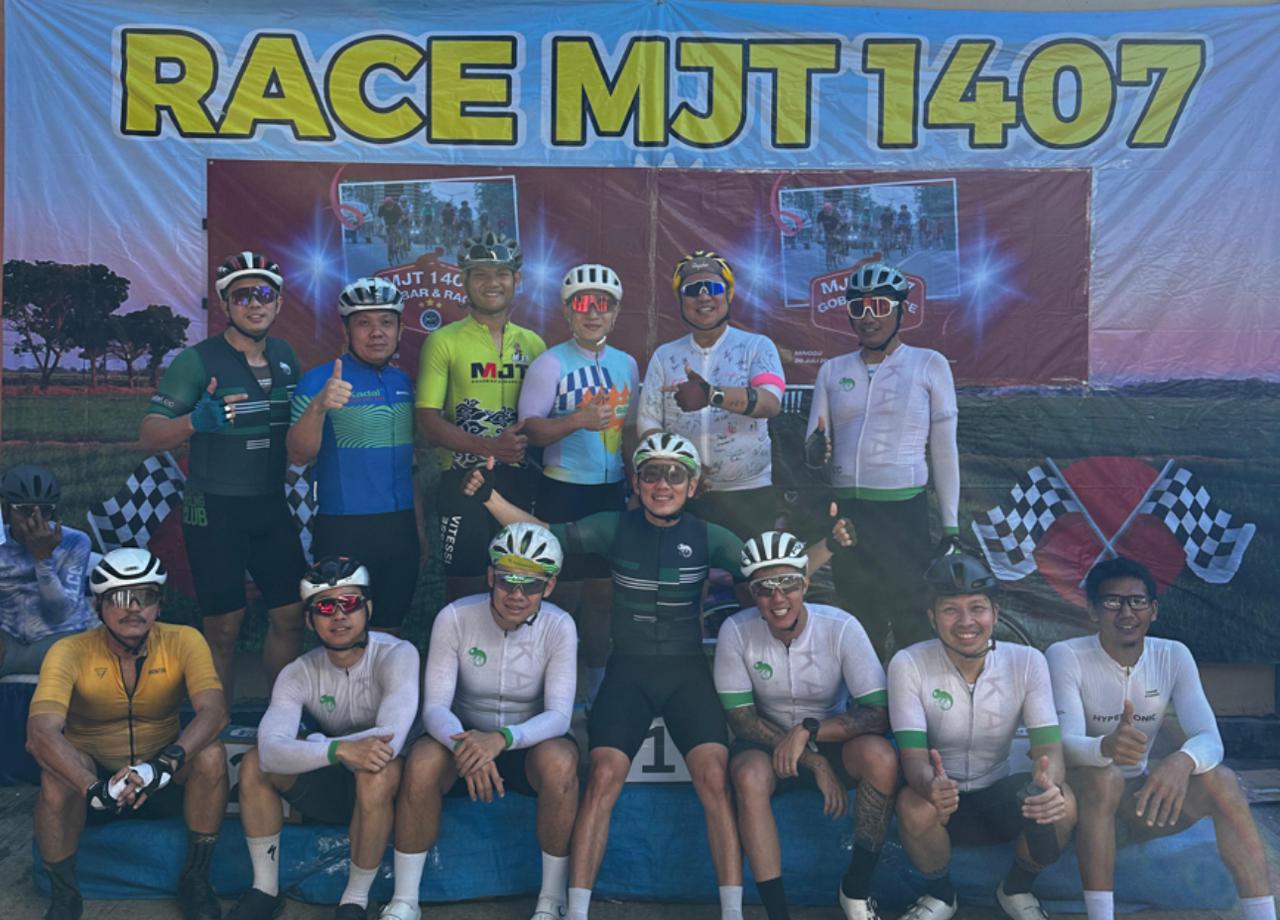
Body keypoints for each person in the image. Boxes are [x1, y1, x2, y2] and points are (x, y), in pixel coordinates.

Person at [464, 433, 852, 920]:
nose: (662, 484)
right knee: (602, 777)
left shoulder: (708, 536)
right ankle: (576, 912)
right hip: (628, 671)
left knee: (714, 779)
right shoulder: (613, 527)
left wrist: (830, 545)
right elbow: (543, 535)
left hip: (686, 672)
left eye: (674, 475)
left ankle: (732, 914)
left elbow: (776, 573)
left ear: (693, 485)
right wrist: (490, 498)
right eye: (651, 474)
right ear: (636, 482)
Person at [1047, 558, 1275, 920]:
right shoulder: (1066, 655)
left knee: (1223, 781)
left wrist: (1182, 761)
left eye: (1137, 601)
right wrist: (1105, 746)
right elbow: (1064, 744)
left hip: (1137, 804)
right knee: (1105, 778)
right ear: (1092, 611)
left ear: (1153, 610)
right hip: (1080, 806)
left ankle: (1263, 915)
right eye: (1112, 601)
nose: (1126, 612)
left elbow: (1210, 738)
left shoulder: (1173, 655)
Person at [139, 251, 306, 703]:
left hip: (270, 504)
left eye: (264, 294)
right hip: (214, 509)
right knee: (223, 628)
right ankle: (216, 724)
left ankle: (282, 714)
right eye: (242, 295)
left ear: (279, 303)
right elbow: (150, 434)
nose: (255, 303)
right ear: (225, 304)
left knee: (291, 616)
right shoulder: (197, 361)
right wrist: (194, 422)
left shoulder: (286, 356)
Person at [389, 524, 579, 920]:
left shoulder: (560, 626)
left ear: (549, 586)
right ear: (491, 576)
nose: (516, 595)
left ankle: (550, 900)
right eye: (507, 581)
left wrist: (502, 739)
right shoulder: (455, 617)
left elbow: (560, 716)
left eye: (531, 585)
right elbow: (434, 707)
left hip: (525, 742)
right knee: (421, 762)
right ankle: (405, 900)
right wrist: (468, 746)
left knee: (561, 763)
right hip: (462, 738)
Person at [27, 549, 228, 920]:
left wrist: (165, 764)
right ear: (98, 605)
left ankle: (196, 880)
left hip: (161, 775)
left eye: (146, 597)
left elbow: (214, 712)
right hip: (94, 784)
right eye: (120, 598)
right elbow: (40, 732)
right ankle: (65, 896)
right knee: (54, 777)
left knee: (211, 754)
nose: (134, 608)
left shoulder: (185, 639)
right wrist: (92, 787)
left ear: (159, 605)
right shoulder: (68, 650)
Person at [714, 531, 899, 920]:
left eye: (788, 584)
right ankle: (777, 913)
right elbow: (742, 719)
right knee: (748, 775)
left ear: (805, 584)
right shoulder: (735, 630)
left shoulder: (841, 627)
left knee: (881, 757)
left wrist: (809, 733)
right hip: (767, 742)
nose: (778, 598)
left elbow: (878, 713)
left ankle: (856, 890)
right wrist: (813, 761)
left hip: (829, 733)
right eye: (765, 588)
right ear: (751, 594)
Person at [227, 555, 419, 920]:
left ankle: (355, 899)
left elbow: (389, 738)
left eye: (350, 603)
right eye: (326, 607)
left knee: (376, 768)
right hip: (333, 779)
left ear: (368, 609)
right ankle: (264, 890)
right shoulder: (297, 672)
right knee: (253, 765)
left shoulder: (398, 653)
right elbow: (269, 752)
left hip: (385, 788)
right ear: (309, 621)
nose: (339, 616)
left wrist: (318, 744)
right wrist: (338, 750)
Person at [889, 553, 1076, 920]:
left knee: (1063, 802)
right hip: (942, 801)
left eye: (977, 608)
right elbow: (913, 757)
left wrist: (1049, 784)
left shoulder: (1027, 661)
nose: (966, 622)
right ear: (932, 617)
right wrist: (931, 785)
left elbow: (1049, 747)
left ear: (995, 612)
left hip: (999, 794)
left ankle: (1017, 889)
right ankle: (941, 895)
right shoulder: (908, 664)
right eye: (950, 610)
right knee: (913, 805)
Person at [805, 261, 959, 657]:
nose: (868, 317)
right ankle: (865, 696)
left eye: (879, 306)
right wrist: (815, 450)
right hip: (849, 516)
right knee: (858, 621)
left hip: (902, 515)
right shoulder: (832, 370)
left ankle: (914, 696)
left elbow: (944, 449)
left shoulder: (929, 363)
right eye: (858, 307)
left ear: (901, 310)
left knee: (911, 620)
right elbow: (814, 444)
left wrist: (951, 527)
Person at [518, 263, 639, 702]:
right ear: (567, 311)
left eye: (602, 304)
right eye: (582, 304)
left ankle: (597, 687)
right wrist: (576, 421)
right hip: (563, 490)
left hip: (610, 491)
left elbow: (631, 431)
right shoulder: (549, 363)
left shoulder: (627, 364)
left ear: (615, 313)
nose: (592, 313)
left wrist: (636, 486)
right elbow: (530, 430)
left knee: (603, 595)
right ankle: (552, 690)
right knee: (562, 596)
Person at [288, 277, 425, 635]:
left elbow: (410, 465)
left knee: (390, 630)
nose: (377, 332)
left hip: (400, 528)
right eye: (364, 323)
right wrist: (319, 406)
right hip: (344, 528)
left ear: (399, 331)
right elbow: (298, 454)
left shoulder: (403, 383)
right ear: (346, 330)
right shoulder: (317, 381)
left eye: (386, 322)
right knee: (343, 635)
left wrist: (418, 528)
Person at [415, 231, 545, 603]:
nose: (492, 283)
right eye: (480, 274)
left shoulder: (534, 343)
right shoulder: (444, 341)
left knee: (521, 581)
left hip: (521, 481)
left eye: (501, 273)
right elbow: (427, 421)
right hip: (462, 481)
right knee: (465, 588)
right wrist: (490, 446)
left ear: (516, 280)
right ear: (464, 281)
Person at [637, 250, 786, 540]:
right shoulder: (665, 356)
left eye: (713, 287)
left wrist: (711, 395)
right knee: (688, 570)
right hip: (685, 493)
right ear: (681, 301)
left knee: (748, 570)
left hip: (750, 493)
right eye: (693, 290)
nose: (704, 296)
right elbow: (648, 423)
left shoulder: (757, 346)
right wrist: (682, 467)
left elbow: (770, 402)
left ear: (728, 295)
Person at [0, 464, 95, 676]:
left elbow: (60, 613)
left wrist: (43, 558)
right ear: (6, 511)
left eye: (44, 511)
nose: (36, 520)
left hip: (59, 635)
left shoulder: (75, 541)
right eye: (25, 510)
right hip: (7, 639)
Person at [379, 195, 405, 263]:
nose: (389, 207)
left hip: (395, 224)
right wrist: (383, 225)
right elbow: (380, 218)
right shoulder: (381, 208)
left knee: (399, 235)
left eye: (390, 205)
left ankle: (399, 246)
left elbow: (401, 216)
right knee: (389, 239)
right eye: (387, 205)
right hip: (387, 225)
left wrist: (400, 222)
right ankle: (389, 254)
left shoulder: (397, 206)